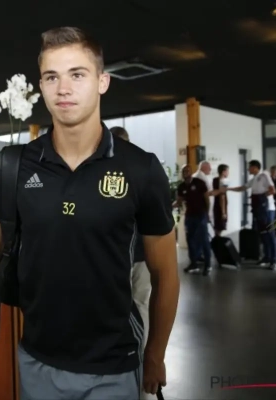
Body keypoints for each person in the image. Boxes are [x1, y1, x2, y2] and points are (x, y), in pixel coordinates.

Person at [0, 27, 180, 399]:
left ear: (102, 82)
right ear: (41, 86)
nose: (64, 88)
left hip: (114, 363)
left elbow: (165, 274)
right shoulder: (17, 166)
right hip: (36, 359)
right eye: (52, 77)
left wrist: (155, 354)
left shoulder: (141, 169)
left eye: (77, 74)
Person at [110, 126, 151, 349]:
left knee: (121, 305)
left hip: (122, 254)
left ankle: (127, 351)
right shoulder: (143, 169)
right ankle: (138, 351)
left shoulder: (103, 173)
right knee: (139, 303)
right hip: (136, 253)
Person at [229, 160, 276, 269]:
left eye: (249, 167)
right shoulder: (254, 179)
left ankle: (274, 260)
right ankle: (267, 257)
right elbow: (242, 188)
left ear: (255, 167)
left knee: (270, 234)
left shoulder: (264, 175)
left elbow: (273, 190)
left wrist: (261, 198)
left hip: (268, 210)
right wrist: (228, 189)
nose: (248, 169)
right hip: (259, 210)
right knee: (263, 234)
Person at [176, 165, 212, 275]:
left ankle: (208, 265)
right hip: (189, 216)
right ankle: (194, 264)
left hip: (201, 215)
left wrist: (207, 214)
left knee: (204, 240)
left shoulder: (199, 183)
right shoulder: (181, 187)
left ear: (191, 172)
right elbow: (179, 201)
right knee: (190, 240)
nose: (186, 172)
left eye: (188, 171)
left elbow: (207, 199)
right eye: (184, 171)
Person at [212, 164, 229, 236]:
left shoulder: (215, 180)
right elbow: (222, 197)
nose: (228, 173)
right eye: (227, 171)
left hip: (216, 206)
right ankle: (218, 241)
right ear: (223, 172)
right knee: (219, 228)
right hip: (220, 207)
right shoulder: (223, 181)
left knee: (217, 228)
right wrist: (223, 212)